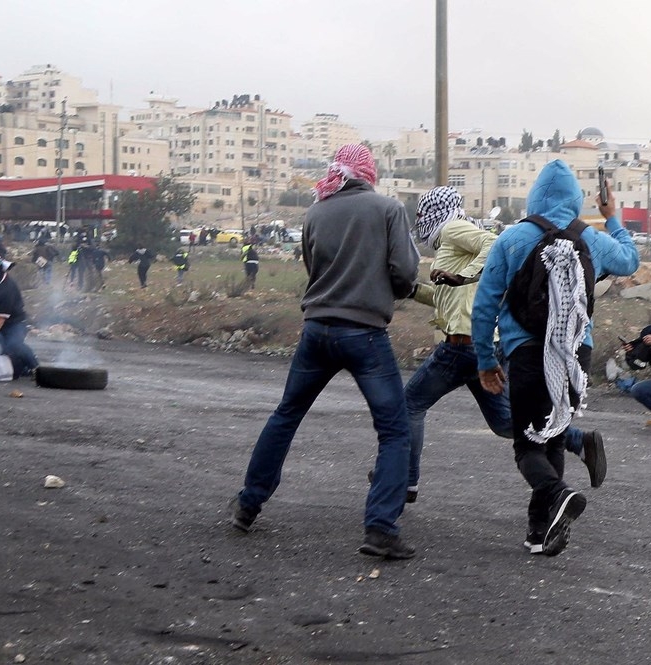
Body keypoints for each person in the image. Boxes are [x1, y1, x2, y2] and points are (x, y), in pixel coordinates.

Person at [230, 143, 420, 559]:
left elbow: (312, 267)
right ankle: (380, 529)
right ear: (368, 173)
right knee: (394, 430)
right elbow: (405, 271)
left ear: (338, 171)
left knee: (286, 415)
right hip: (365, 334)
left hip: (316, 330)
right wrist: (397, 290)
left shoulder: (315, 212)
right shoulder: (389, 210)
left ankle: (248, 505)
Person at [472, 160, 640, 556]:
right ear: (574, 200)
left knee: (527, 446)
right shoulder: (590, 239)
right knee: (552, 436)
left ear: (534, 196)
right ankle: (540, 532)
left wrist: (484, 359)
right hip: (574, 353)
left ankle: (557, 492)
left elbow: (484, 305)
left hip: (527, 353)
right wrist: (611, 218)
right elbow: (630, 261)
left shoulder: (512, 239)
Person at [402, 186, 606, 506]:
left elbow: (491, 243)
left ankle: (405, 482)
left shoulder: (453, 228)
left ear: (436, 209)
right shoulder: (449, 242)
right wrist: (413, 290)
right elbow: (447, 297)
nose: (419, 218)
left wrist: (464, 274)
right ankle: (578, 441)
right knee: (505, 424)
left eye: (422, 211)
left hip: (460, 346)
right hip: (473, 346)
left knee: (409, 405)